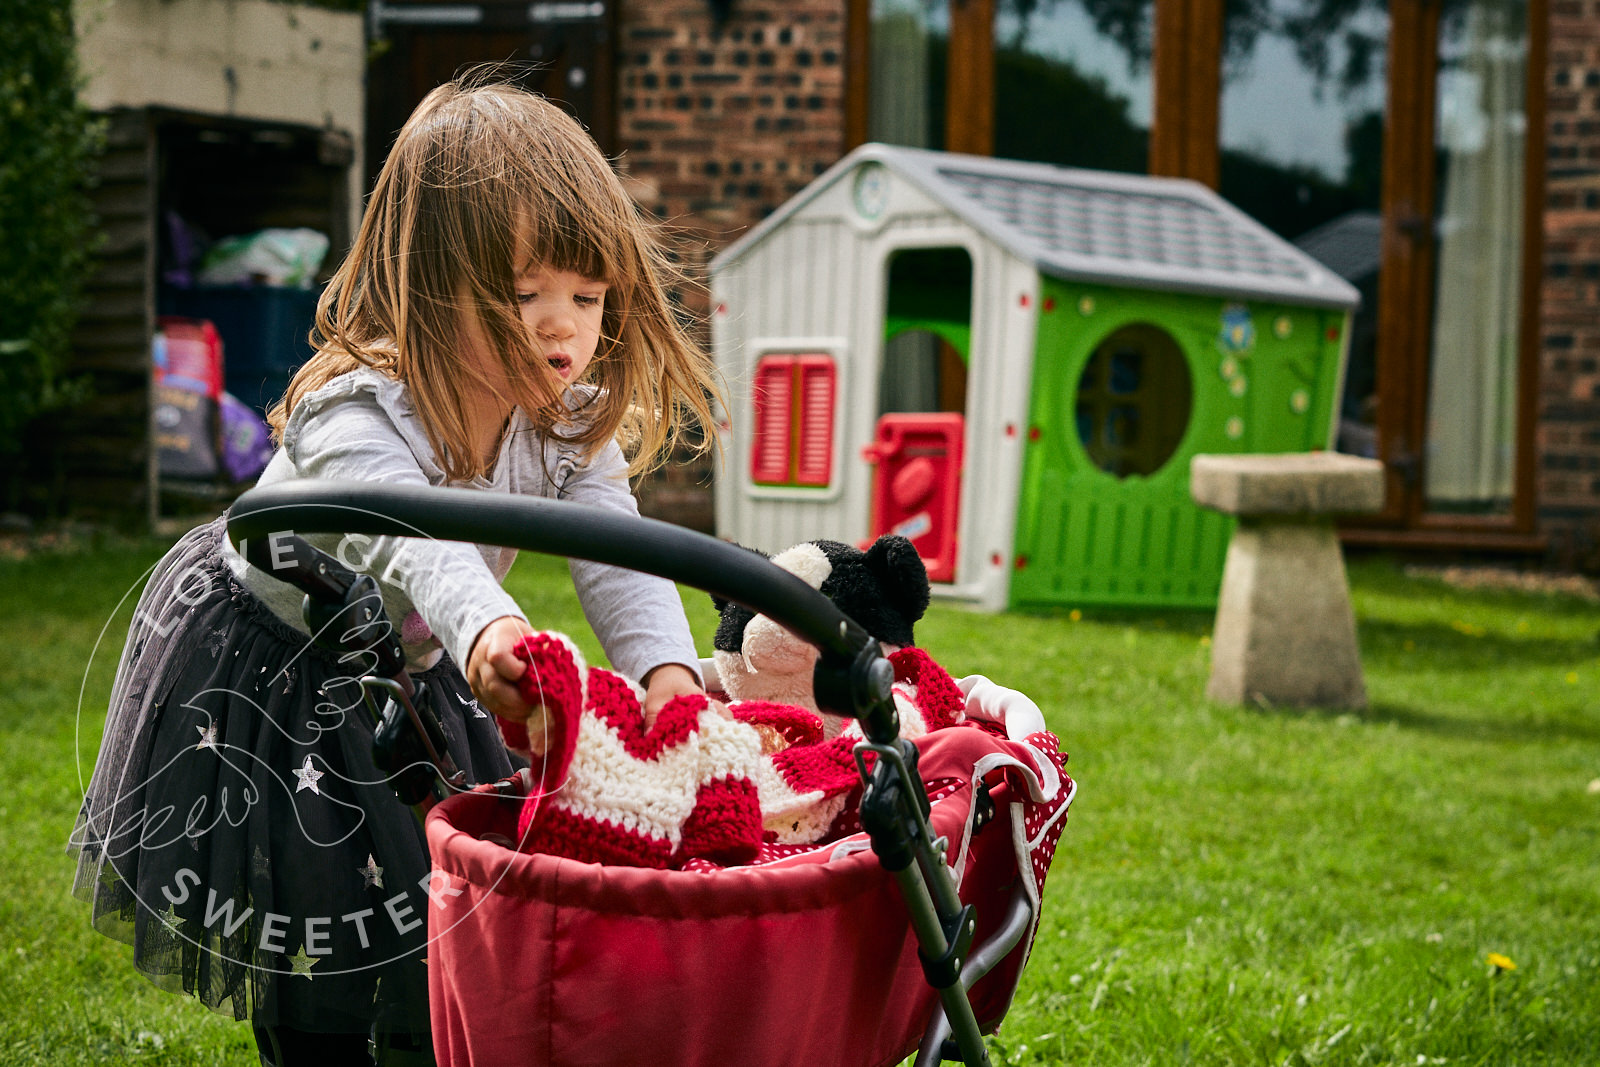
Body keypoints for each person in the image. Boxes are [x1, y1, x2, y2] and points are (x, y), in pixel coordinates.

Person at [69, 76, 724, 1066]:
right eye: (524, 291)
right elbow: (417, 540)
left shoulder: (563, 416)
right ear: (429, 280)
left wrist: (667, 676)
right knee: (318, 913)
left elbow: (615, 547)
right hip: (280, 667)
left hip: (417, 660)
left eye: (586, 297)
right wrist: (496, 633)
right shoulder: (357, 413)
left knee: (448, 901)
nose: (562, 328)